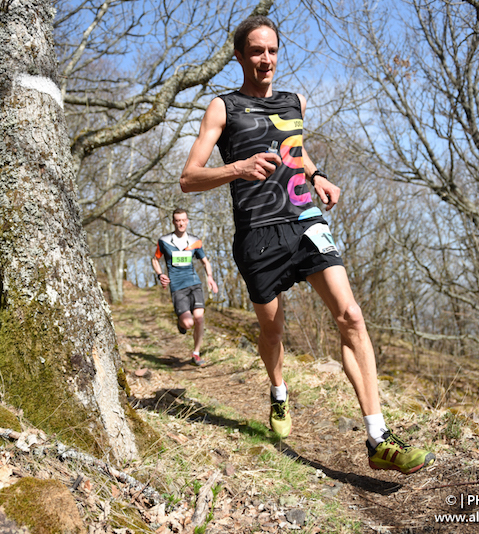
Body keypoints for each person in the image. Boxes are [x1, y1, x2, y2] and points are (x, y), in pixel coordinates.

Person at [179, 15, 435, 474]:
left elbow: (294, 147)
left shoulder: (294, 101)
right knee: (273, 331)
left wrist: (317, 175)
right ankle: (278, 390)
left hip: (305, 219)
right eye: (256, 51)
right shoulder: (223, 107)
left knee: (351, 315)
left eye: (272, 50)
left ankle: (378, 436)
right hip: (257, 233)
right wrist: (237, 169)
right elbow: (188, 178)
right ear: (240, 56)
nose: (266, 59)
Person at [152, 209, 219, 366]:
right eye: (177, 220)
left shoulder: (195, 241)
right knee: (188, 323)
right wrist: (160, 274)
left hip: (194, 283)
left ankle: (196, 353)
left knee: (199, 318)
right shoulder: (164, 241)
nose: (181, 223)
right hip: (177, 287)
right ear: (174, 222)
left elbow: (205, 261)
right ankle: (181, 323)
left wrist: (210, 277)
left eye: (183, 220)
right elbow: (155, 259)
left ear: (187, 221)